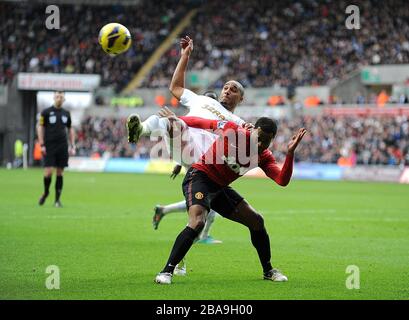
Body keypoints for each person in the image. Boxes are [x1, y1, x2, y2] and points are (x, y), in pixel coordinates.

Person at [153, 107, 306, 284]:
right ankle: (166, 272)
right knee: (198, 222)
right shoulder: (233, 131)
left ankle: (268, 270)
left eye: (265, 141)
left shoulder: (264, 157)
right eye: (259, 138)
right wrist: (176, 119)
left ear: (272, 141)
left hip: (219, 188)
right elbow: (202, 123)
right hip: (199, 177)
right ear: (253, 130)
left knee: (256, 221)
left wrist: (290, 153)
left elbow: (282, 180)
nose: (260, 144)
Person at [128, 36, 249, 245]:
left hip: (207, 166)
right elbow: (175, 87)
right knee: (170, 121)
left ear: (241, 98)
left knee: (198, 217)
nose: (227, 90)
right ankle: (140, 129)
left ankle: (183, 257)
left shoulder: (238, 121)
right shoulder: (201, 100)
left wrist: (249, 135)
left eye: (234, 89)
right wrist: (185, 55)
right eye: (226, 87)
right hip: (185, 148)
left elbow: (246, 148)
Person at [153, 90, 222, 246]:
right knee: (207, 202)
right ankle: (200, 236)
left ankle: (164, 210)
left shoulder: (205, 119)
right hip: (202, 165)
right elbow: (188, 141)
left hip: (200, 162)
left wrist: (179, 164)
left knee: (205, 201)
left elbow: (187, 142)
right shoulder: (201, 119)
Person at [37, 91, 76, 207]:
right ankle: (45, 192)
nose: (59, 98)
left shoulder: (66, 113)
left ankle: (57, 200)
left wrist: (72, 144)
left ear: (64, 99)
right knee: (48, 172)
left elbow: (70, 129)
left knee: (60, 172)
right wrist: (42, 144)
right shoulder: (46, 112)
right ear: (54, 98)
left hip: (62, 146)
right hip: (49, 146)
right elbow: (40, 127)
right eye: (57, 96)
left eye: (61, 97)